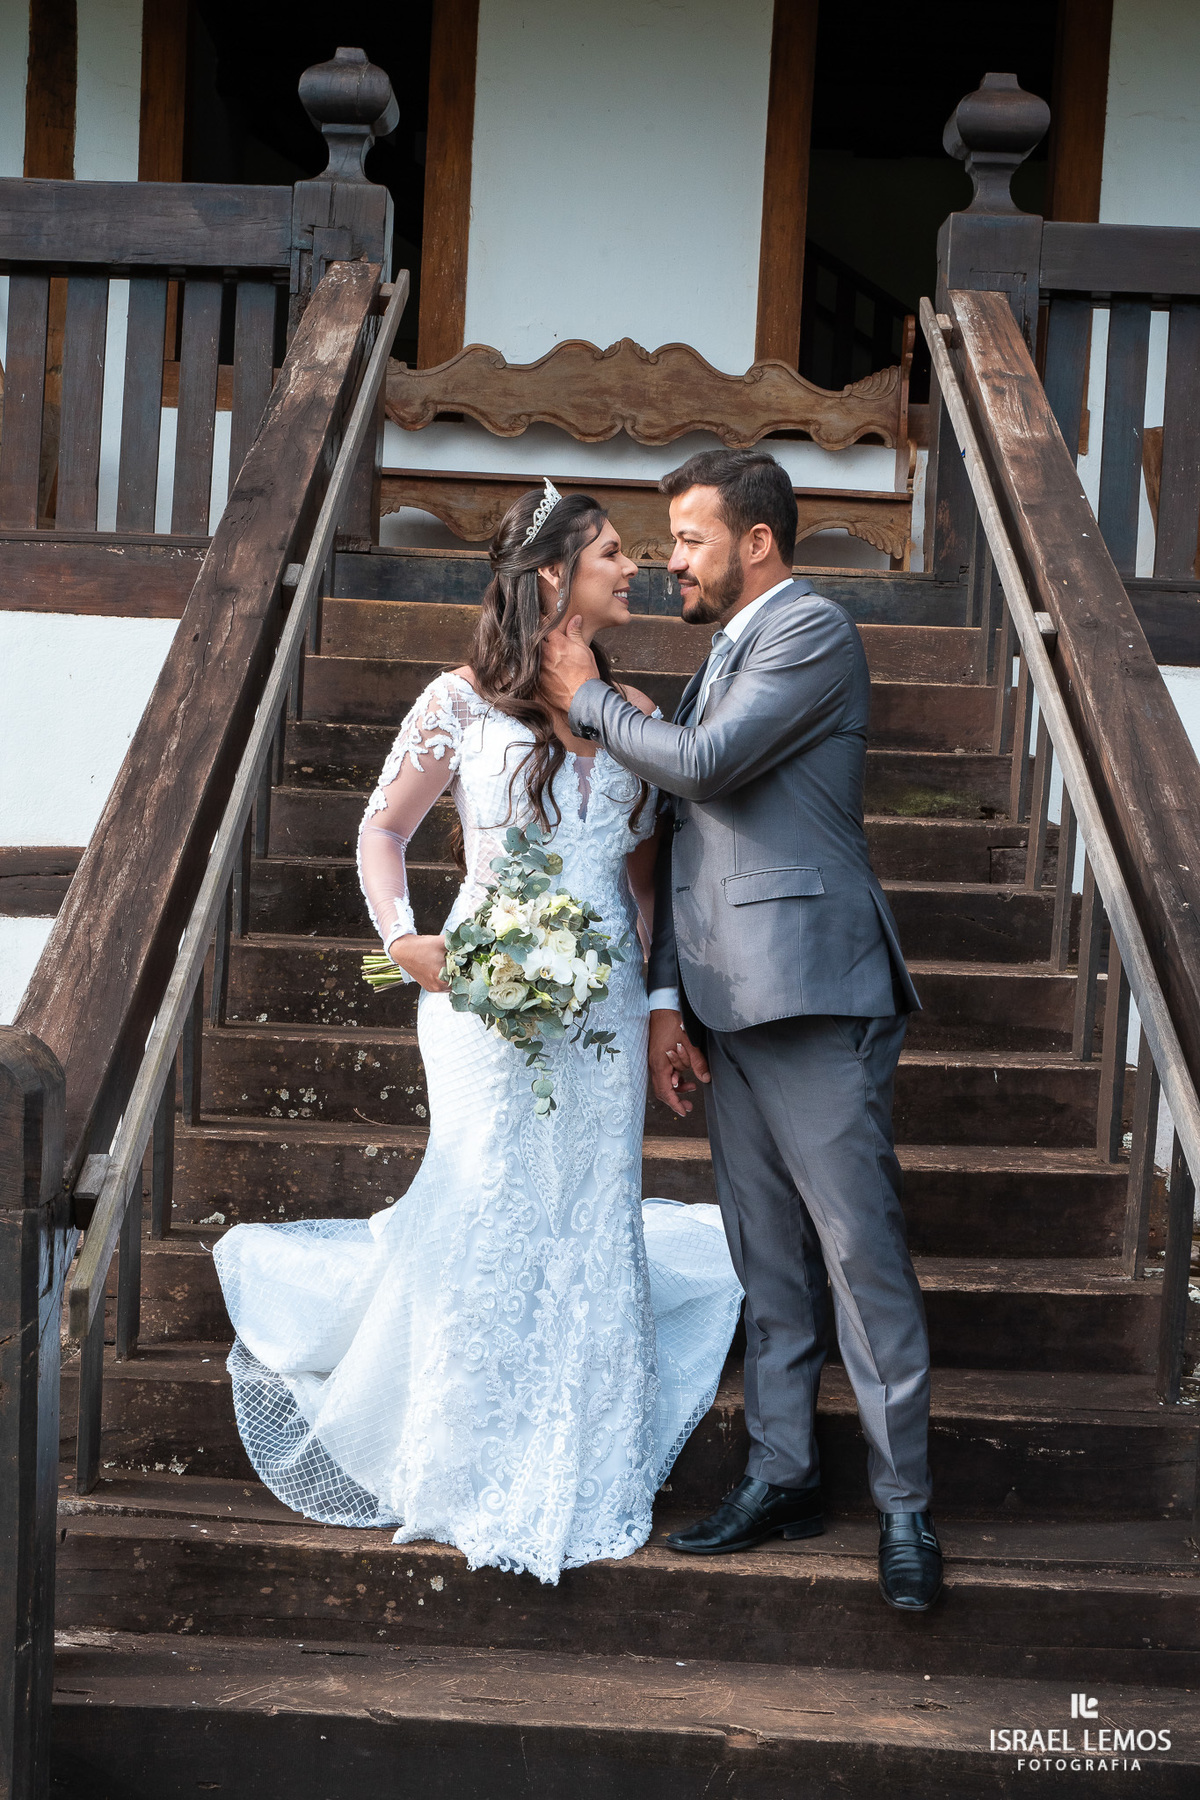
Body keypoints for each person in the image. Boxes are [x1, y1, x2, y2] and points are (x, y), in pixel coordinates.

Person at [213, 483, 742, 1585]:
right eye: (609, 551)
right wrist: (406, 940)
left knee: (589, 1211)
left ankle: (579, 1458)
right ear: (553, 573)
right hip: (485, 996)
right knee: (491, 1191)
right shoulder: (458, 700)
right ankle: (459, 1458)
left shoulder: (634, 706)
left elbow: (646, 894)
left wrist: (656, 1011)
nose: (631, 565)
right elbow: (385, 829)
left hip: (597, 1005)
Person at [541, 448, 943, 1612]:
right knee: (767, 1266)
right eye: (667, 542)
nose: (672, 559)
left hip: (814, 993)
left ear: (755, 542)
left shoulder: (810, 629)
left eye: (690, 539)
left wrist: (588, 697)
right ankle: (783, 1476)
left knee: (860, 1263)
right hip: (723, 1000)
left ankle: (908, 1506)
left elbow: (708, 766)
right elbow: (684, 837)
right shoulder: (724, 652)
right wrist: (668, 1000)